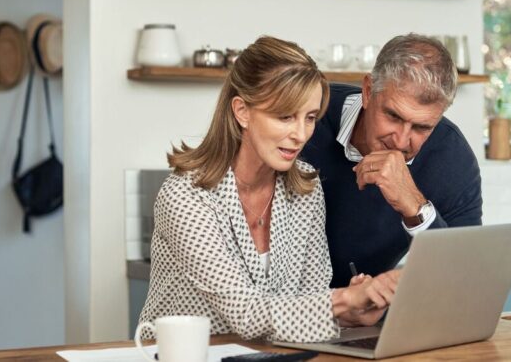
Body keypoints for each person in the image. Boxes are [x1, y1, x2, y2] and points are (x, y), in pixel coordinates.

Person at [139, 36, 400, 343]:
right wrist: (343, 300)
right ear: (242, 111)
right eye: (285, 116)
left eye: (310, 118)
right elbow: (245, 313)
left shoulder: (306, 190)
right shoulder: (186, 196)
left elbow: (308, 300)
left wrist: (350, 314)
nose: (301, 134)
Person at [301, 33, 483, 289]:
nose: (401, 141)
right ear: (368, 91)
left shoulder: (452, 157)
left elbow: (464, 278)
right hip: (284, 306)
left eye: (421, 127)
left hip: (369, 308)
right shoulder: (308, 117)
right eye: (393, 116)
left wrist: (416, 208)